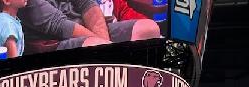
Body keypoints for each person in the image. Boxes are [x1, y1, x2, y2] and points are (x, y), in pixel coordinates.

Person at [20, 0, 159, 53]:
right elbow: (59, 25)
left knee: (148, 29)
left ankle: (135, 81)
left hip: (87, 30)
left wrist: (106, 44)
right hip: (55, 41)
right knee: (94, 45)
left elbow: (87, 4)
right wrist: (106, 46)